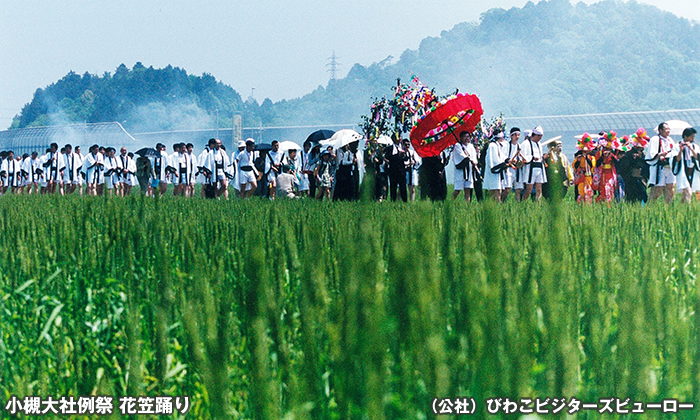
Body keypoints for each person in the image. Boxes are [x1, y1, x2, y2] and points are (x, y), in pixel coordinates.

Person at [646, 122, 678, 204]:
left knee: (670, 187)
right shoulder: (655, 139)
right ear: (660, 130)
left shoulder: (670, 140)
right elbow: (652, 154)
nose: (668, 131)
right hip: (659, 167)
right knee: (658, 189)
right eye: (666, 129)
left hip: (669, 167)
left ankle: (669, 206)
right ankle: (650, 205)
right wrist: (660, 154)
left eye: (669, 129)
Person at [617, 129, 649, 203]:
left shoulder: (644, 154)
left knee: (643, 196)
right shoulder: (629, 154)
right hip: (631, 180)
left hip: (641, 178)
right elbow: (624, 167)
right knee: (631, 198)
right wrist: (634, 159)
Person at [672, 127, 700, 203]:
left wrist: (691, 148)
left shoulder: (695, 146)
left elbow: (698, 157)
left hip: (693, 171)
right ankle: (689, 209)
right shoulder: (677, 146)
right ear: (686, 136)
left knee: (686, 194)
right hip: (683, 171)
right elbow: (676, 160)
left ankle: (682, 208)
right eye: (692, 136)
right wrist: (681, 151)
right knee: (688, 191)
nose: (693, 138)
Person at [521, 126, 547, 201]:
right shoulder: (526, 143)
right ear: (535, 135)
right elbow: (523, 156)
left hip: (539, 167)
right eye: (539, 136)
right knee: (529, 189)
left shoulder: (539, 144)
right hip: (530, 168)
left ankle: (538, 204)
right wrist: (532, 158)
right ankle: (523, 202)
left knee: (539, 189)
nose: (540, 138)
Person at [452, 131, 479, 201]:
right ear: (460, 138)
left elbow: (474, 156)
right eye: (465, 137)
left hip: (469, 170)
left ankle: (467, 206)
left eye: (468, 136)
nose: (467, 138)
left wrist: (474, 161)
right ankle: (450, 202)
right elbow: (462, 156)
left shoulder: (471, 146)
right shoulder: (458, 146)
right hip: (461, 171)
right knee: (457, 190)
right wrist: (468, 158)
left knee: (468, 190)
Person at [482, 131, 508, 202]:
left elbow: (501, 156)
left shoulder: (497, 145)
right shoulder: (492, 145)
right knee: (495, 191)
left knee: (498, 190)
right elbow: (493, 159)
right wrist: (502, 164)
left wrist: (507, 160)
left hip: (498, 171)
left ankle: (495, 206)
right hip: (493, 171)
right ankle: (495, 206)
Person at [594, 132, 620, 203]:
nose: (607, 150)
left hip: (610, 174)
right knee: (602, 190)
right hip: (602, 174)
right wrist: (602, 155)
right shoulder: (600, 153)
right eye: (606, 148)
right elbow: (597, 164)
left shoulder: (613, 154)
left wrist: (612, 155)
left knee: (609, 189)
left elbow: (617, 162)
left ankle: (609, 204)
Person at [385, 134, 407, 202]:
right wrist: (398, 155)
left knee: (403, 187)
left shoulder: (402, 147)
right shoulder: (390, 148)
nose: (400, 139)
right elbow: (388, 157)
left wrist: (404, 155)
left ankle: (405, 201)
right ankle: (393, 200)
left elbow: (406, 159)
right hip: (393, 171)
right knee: (393, 187)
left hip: (401, 171)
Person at [502, 127, 523, 201]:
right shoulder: (507, 145)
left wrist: (520, 161)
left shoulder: (519, 146)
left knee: (518, 189)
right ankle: (502, 201)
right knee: (508, 188)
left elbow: (521, 156)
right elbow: (504, 156)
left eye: (518, 135)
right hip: (509, 169)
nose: (517, 137)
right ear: (511, 136)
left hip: (517, 170)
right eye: (515, 135)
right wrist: (510, 160)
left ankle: (518, 205)